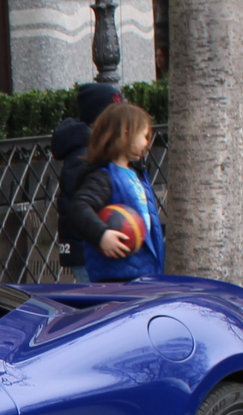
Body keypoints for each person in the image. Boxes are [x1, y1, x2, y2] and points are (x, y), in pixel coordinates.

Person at [57, 100, 166, 281]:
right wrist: (102, 235)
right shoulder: (103, 176)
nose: (147, 142)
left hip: (144, 272)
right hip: (117, 276)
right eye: (145, 135)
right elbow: (79, 207)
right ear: (126, 134)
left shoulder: (137, 175)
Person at [52, 81, 125, 271]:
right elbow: (80, 205)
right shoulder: (84, 155)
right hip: (86, 248)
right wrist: (101, 234)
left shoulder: (93, 151)